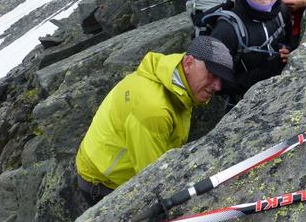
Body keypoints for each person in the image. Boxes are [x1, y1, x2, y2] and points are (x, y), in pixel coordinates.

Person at [75, 36, 234, 205]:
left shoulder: (173, 76)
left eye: (221, 79)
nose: (218, 86)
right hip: (104, 184)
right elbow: (152, 180)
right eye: (212, 75)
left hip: (103, 160)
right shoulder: (154, 110)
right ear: (188, 63)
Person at [211, 0, 292, 109]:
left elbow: (288, 41)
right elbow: (217, 83)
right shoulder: (228, 29)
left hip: (283, 95)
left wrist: (287, 52)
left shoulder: (282, 10)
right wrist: (267, 72)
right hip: (245, 107)